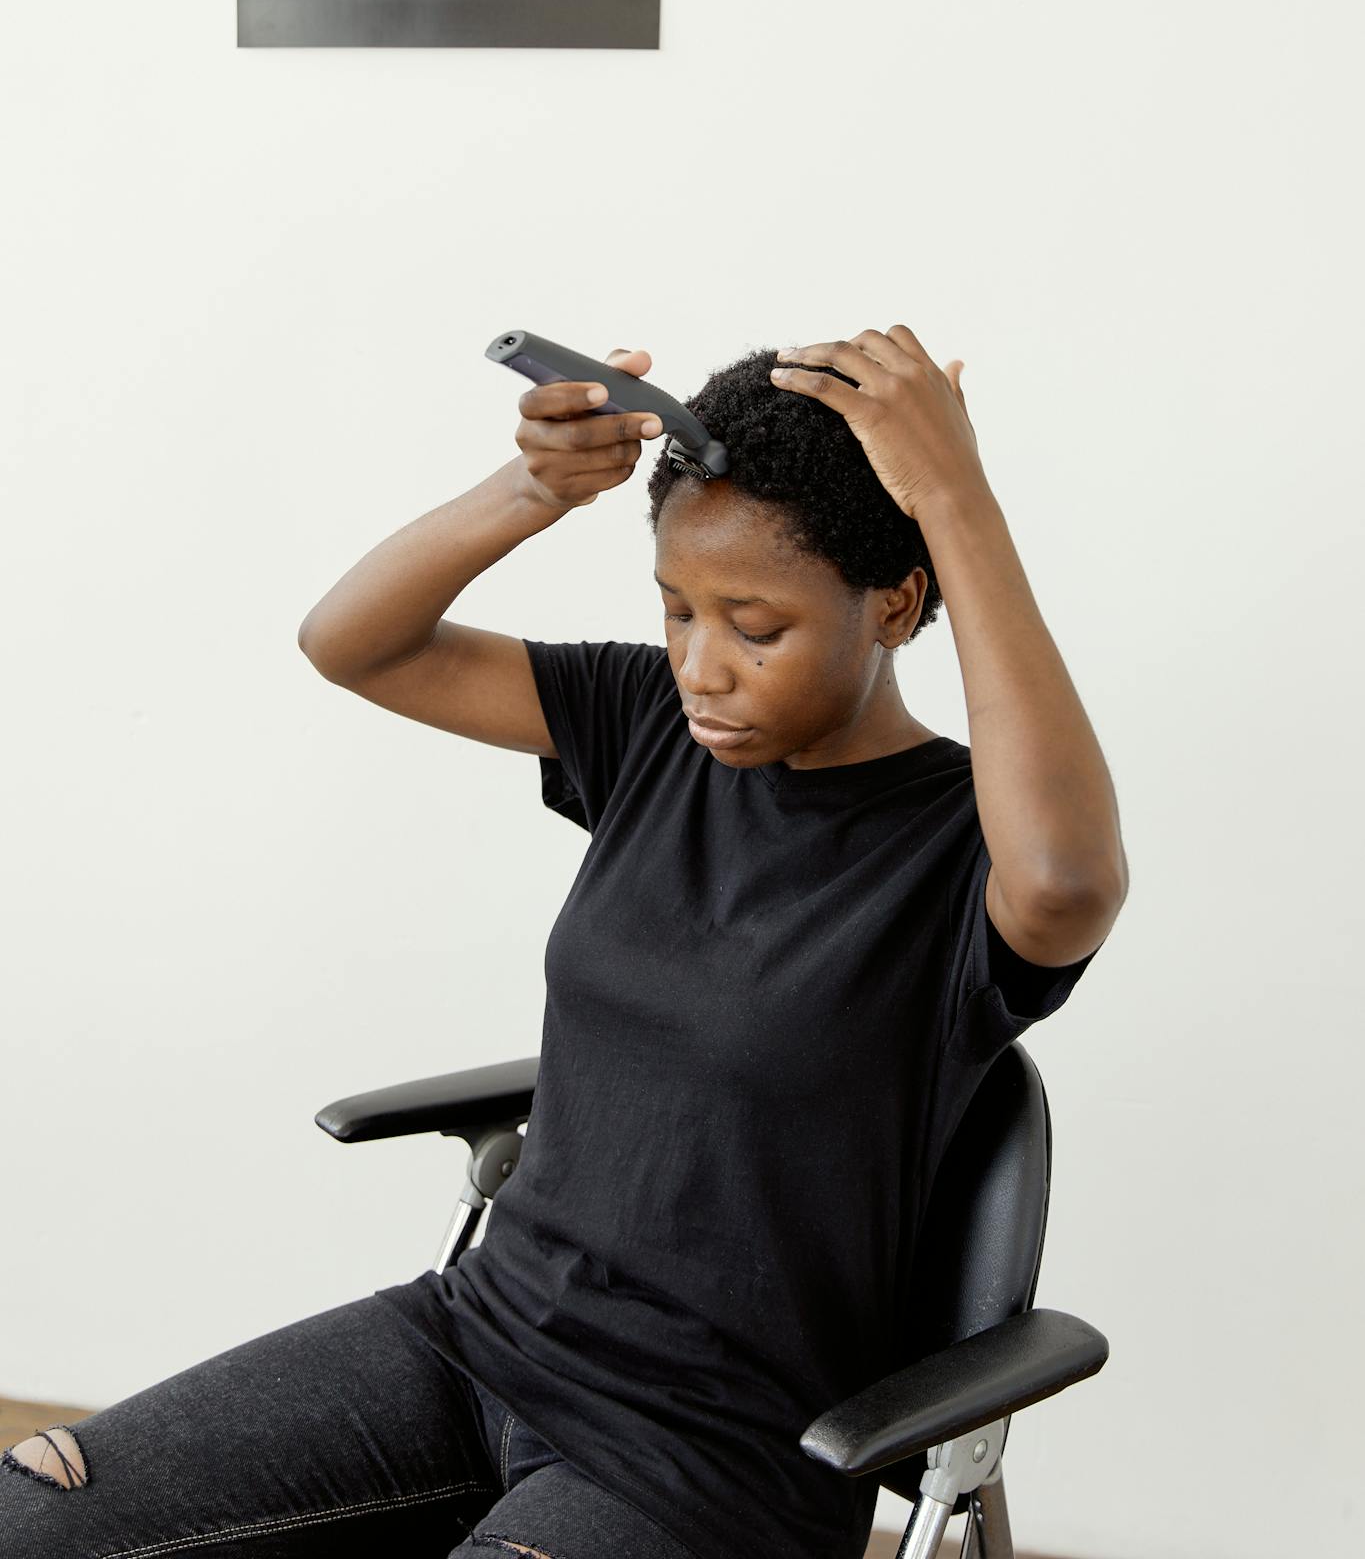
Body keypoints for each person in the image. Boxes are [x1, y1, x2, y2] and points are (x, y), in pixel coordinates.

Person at [2, 328, 1127, 1559]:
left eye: (755, 625)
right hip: (473, 1338)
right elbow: (353, 643)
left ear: (897, 602)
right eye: (675, 608)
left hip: (707, 1452)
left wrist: (955, 501)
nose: (702, 666)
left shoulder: (964, 845)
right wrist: (532, 488)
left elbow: (1070, 880)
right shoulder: (646, 724)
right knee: (31, 1514)